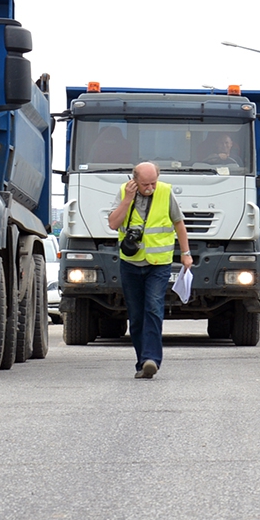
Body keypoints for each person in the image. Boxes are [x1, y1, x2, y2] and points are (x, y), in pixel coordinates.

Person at [107, 161, 193, 379]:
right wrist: (127, 199)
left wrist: (186, 253)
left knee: (153, 308)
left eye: (153, 182)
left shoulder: (165, 191)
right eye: (145, 184)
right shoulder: (123, 193)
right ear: (134, 181)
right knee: (136, 316)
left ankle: (151, 359)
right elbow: (113, 224)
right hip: (131, 262)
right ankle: (141, 363)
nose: (150, 188)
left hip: (158, 264)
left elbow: (179, 223)